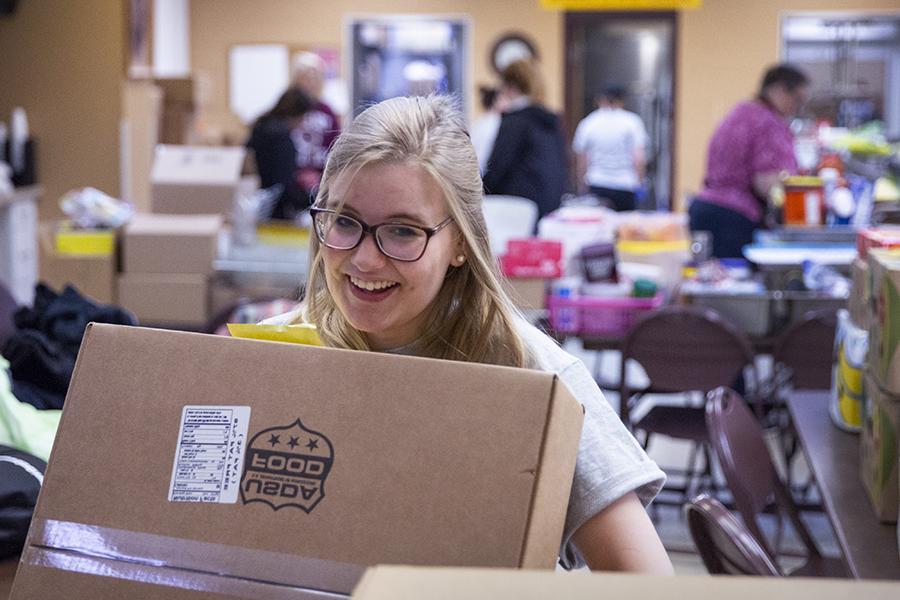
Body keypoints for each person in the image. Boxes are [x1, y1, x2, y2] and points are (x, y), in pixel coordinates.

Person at [268, 95, 673, 573]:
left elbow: (645, 578)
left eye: (402, 231)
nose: (364, 259)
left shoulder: (530, 374)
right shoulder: (278, 353)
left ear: (459, 241)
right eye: (344, 221)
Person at [690, 64, 811, 258]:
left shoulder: (742, 111)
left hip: (706, 208)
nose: (797, 107)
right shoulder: (768, 122)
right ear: (780, 90)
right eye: (797, 99)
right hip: (734, 218)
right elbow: (766, 183)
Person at [482, 60, 567, 221]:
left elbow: (497, 169)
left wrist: (474, 196)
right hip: (549, 208)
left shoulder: (515, 122)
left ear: (510, 85)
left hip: (517, 210)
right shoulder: (550, 121)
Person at [572, 85, 648, 212]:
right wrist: (640, 183)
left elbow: (582, 159)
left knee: (599, 228)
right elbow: (639, 158)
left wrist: (581, 185)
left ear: (599, 100)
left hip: (597, 183)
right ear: (622, 100)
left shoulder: (589, 123)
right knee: (623, 228)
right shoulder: (632, 122)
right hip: (625, 186)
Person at [245, 87, 314, 220]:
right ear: (296, 115)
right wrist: (311, 200)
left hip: (253, 204)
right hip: (274, 211)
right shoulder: (282, 139)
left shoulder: (259, 127)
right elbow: (284, 184)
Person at [290, 51, 341, 208]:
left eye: (314, 77)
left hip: (321, 179)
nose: (310, 82)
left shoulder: (327, 111)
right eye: (305, 77)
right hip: (291, 179)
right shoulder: (288, 109)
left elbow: (336, 146)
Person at [469, 85, 506, 175]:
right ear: (496, 101)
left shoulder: (479, 123)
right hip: (486, 171)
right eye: (503, 98)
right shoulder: (497, 123)